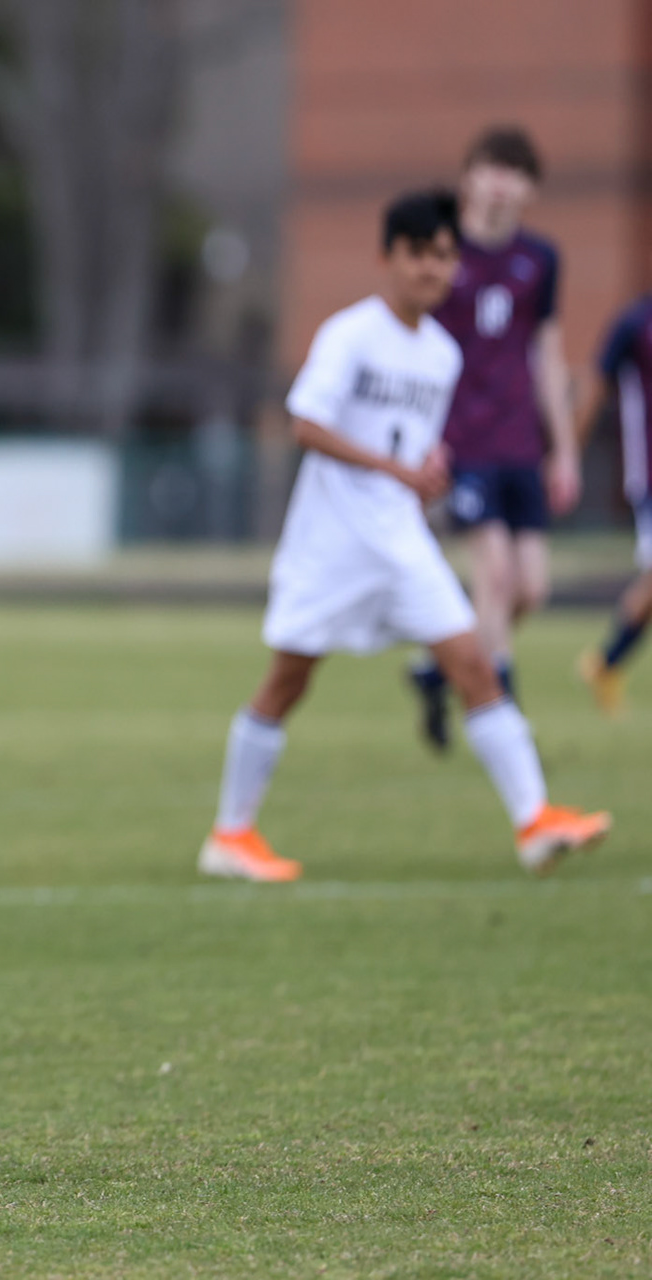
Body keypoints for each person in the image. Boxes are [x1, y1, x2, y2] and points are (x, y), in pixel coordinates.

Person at [200, 189, 609, 884]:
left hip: (401, 540)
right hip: (331, 543)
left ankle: (534, 822)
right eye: (419, 254)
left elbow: (415, 448)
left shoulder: (442, 355)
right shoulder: (350, 334)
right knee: (288, 681)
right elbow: (306, 423)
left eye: (444, 256)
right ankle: (231, 835)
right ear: (387, 257)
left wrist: (428, 469)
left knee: (474, 664)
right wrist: (396, 467)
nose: (432, 269)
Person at [406, 127, 580, 750]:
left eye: (516, 172)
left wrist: (563, 447)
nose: (502, 183)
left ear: (531, 188)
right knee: (496, 571)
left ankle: (436, 670)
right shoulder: (443, 253)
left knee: (532, 588)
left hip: (518, 443)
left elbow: (547, 352)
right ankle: (503, 711)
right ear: (469, 177)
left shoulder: (541, 259)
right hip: (460, 439)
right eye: (491, 168)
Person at [576, 292, 652, 713]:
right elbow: (595, 382)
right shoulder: (635, 322)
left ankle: (607, 661)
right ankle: (607, 662)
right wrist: (569, 452)